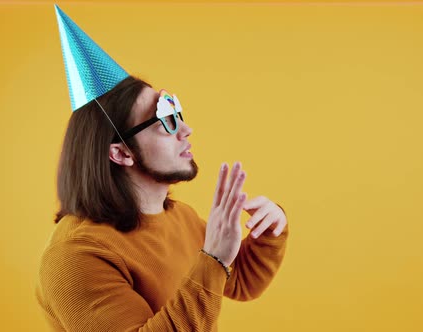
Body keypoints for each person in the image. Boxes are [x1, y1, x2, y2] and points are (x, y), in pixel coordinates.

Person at [35, 5, 289, 331]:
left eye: (177, 114)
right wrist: (213, 258)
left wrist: (269, 232)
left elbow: (237, 281)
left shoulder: (179, 218)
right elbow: (212, 269)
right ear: (121, 152)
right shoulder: (74, 257)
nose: (185, 130)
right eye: (164, 122)